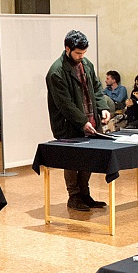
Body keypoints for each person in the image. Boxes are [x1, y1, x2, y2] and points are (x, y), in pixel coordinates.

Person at [45, 30, 111, 211]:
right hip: (69, 123)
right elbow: (64, 104)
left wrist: (103, 107)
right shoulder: (56, 72)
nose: (81, 57)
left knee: (87, 158)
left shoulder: (86, 64)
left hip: (89, 118)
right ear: (67, 49)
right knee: (73, 161)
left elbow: (96, 88)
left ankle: (85, 194)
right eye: (78, 53)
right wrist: (82, 121)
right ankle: (74, 197)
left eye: (83, 53)